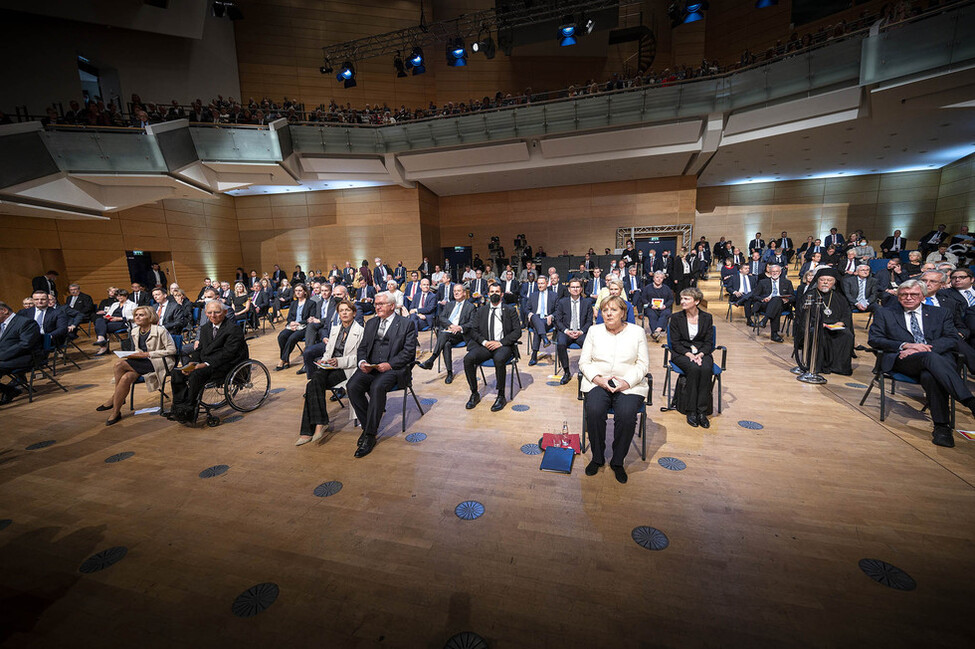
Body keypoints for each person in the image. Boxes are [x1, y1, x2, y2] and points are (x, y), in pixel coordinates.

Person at [868, 279, 975, 448]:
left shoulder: (941, 313)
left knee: (930, 375)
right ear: (898, 296)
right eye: (904, 294)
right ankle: (969, 401)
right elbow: (874, 339)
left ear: (923, 296)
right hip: (902, 360)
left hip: (935, 363)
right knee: (929, 358)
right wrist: (906, 345)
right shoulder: (886, 313)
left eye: (914, 294)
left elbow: (951, 339)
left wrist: (922, 349)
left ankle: (942, 428)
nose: (908, 298)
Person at [579, 295, 650, 484]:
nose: (608, 314)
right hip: (599, 381)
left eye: (613, 310)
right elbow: (584, 362)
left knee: (626, 415)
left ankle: (618, 461)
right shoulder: (594, 331)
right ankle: (597, 457)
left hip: (628, 384)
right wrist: (599, 379)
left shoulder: (637, 332)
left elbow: (643, 365)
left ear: (623, 312)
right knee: (593, 411)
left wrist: (626, 382)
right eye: (605, 310)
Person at [346, 292, 419, 458]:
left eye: (381, 304)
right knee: (352, 386)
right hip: (371, 367)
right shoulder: (371, 323)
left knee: (377, 387)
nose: (377, 306)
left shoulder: (406, 324)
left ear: (392, 306)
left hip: (394, 369)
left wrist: (390, 364)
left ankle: (370, 435)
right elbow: (362, 347)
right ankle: (368, 426)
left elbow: (409, 353)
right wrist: (362, 362)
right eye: (376, 304)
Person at [295, 299, 364, 446]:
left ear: (354, 313)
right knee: (315, 379)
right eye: (341, 311)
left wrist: (338, 362)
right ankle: (319, 424)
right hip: (330, 367)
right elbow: (328, 352)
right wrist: (324, 361)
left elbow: (360, 358)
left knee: (311, 385)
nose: (344, 313)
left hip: (347, 369)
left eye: (347, 310)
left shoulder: (361, 332)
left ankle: (309, 430)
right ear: (338, 314)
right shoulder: (335, 330)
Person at [168, 300, 248, 425]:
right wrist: (191, 363)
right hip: (207, 362)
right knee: (177, 373)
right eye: (209, 312)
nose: (213, 315)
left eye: (217, 312)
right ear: (205, 313)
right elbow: (199, 349)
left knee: (196, 374)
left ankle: (189, 408)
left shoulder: (233, 329)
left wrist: (205, 364)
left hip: (226, 364)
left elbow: (228, 353)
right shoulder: (206, 328)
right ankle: (179, 406)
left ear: (225, 312)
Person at [95, 306, 177, 425]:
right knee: (125, 378)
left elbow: (172, 350)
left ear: (149, 317)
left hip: (159, 361)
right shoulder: (134, 331)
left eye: (141, 315)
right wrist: (135, 355)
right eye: (136, 315)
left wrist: (148, 354)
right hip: (142, 362)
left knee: (119, 364)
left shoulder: (160, 330)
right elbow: (139, 350)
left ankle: (115, 398)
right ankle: (116, 412)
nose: (137, 317)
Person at [462, 283, 521, 412]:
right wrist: (484, 342)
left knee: (499, 359)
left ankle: (501, 395)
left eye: (497, 291)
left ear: (502, 294)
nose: (494, 293)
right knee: (468, 359)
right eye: (492, 291)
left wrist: (500, 342)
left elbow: (517, 332)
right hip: (485, 345)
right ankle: (474, 393)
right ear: (488, 294)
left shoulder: (510, 310)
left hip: (503, 345)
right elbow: (473, 330)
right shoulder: (481, 310)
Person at [668, 287, 716, 428]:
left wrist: (700, 354)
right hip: (682, 353)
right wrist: (690, 355)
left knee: (706, 369)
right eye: (682, 298)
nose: (682, 301)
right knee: (694, 369)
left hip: (702, 352)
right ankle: (691, 411)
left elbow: (709, 342)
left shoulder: (707, 318)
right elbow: (675, 344)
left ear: (696, 301)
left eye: (686, 299)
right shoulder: (676, 318)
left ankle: (702, 411)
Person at [796, 268, 854, 376]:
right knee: (818, 335)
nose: (826, 283)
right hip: (815, 326)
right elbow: (802, 316)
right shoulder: (809, 296)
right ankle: (817, 366)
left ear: (834, 282)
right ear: (817, 281)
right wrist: (817, 323)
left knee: (847, 335)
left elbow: (847, 314)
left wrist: (841, 323)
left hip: (835, 327)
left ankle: (838, 367)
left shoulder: (840, 297)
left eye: (829, 280)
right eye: (822, 280)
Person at [418, 283, 475, 383]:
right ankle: (449, 373)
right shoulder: (449, 304)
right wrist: (451, 325)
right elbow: (442, 317)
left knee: (443, 335)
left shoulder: (470, 307)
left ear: (464, 293)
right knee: (446, 344)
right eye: (454, 291)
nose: (456, 293)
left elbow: (472, 323)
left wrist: (459, 327)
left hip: (461, 334)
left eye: (458, 291)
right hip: (448, 332)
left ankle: (432, 359)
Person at [554, 279, 595, 384]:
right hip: (567, 332)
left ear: (581, 289)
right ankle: (566, 372)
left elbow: (589, 321)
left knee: (589, 344)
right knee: (561, 343)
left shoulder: (587, 303)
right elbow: (558, 320)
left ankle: (585, 371)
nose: (575, 289)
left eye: (577, 287)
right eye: (573, 287)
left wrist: (581, 331)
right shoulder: (562, 302)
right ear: (569, 289)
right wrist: (566, 331)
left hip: (581, 332)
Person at [0, 301, 42, 405]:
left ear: (4, 311)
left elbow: (25, 344)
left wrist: (1, 356)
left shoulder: (26, 322)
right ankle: (9, 390)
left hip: (23, 358)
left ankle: (9, 390)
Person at [276, 283, 314, 370]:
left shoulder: (311, 303)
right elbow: (289, 317)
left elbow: (310, 318)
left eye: (300, 290)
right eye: (296, 291)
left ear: (305, 292)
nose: (298, 292)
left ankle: (283, 359)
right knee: (281, 336)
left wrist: (298, 323)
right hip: (293, 326)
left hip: (304, 327)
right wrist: (291, 323)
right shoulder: (293, 303)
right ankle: (286, 359)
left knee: (292, 338)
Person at [753, 264, 794, 342]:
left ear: (780, 272)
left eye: (777, 271)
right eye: (773, 271)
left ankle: (765, 320)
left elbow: (793, 297)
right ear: (770, 272)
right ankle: (774, 334)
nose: (775, 273)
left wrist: (787, 300)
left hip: (783, 305)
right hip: (766, 304)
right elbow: (755, 296)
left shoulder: (787, 282)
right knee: (776, 305)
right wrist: (763, 299)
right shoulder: (762, 282)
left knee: (777, 300)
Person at [94, 289, 136, 354]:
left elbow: (135, 317)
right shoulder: (115, 304)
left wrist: (119, 318)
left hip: (123, 322)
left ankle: (103, 346)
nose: (118, 298)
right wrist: (107, 317)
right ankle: (101, 338)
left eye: (120, 296)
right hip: (111, 320)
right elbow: (109, 314)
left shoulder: (132, 304)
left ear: (126, 296)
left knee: (100, 327)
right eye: (117, 296)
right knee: (99, 320)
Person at [526, 276, 556, 366]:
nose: (540, 285)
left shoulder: (554, 295)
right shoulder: (533, 295)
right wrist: (529, 314)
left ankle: (534, 355)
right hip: (535, 318)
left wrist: (551, 316)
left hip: (547, 320)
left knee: (537, 329)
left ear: (547, 283)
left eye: (542, 283)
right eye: (538, 283)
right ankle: (545, 338)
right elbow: (526, 308)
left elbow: (558, 310)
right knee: (535, 317)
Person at [641, 271, 674, 342]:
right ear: (653, 278)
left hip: (663, 308)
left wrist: (665, 305)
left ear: (663, 279)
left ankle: (656, 331)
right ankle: (657, 333)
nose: (659, 279)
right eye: (657, 277)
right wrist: (650, 305)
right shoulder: (647, 288)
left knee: (665, 314)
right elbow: (643, 298)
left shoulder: (667, 288)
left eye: (661, 278)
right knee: (652, 315)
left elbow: (671, 299)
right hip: (651, 308)